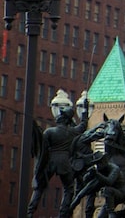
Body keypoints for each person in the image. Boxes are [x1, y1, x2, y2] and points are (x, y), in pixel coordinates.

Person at [28, 90, 87, 218]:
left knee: (40, 186)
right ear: (67, 121)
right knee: (69, 188)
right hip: (65, 162)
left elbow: (42, 148)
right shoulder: (72, 131)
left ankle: (30, 212)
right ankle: (63, 214)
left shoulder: (49, 131)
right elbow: (83, 126)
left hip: (50, 162)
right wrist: (85, 111)